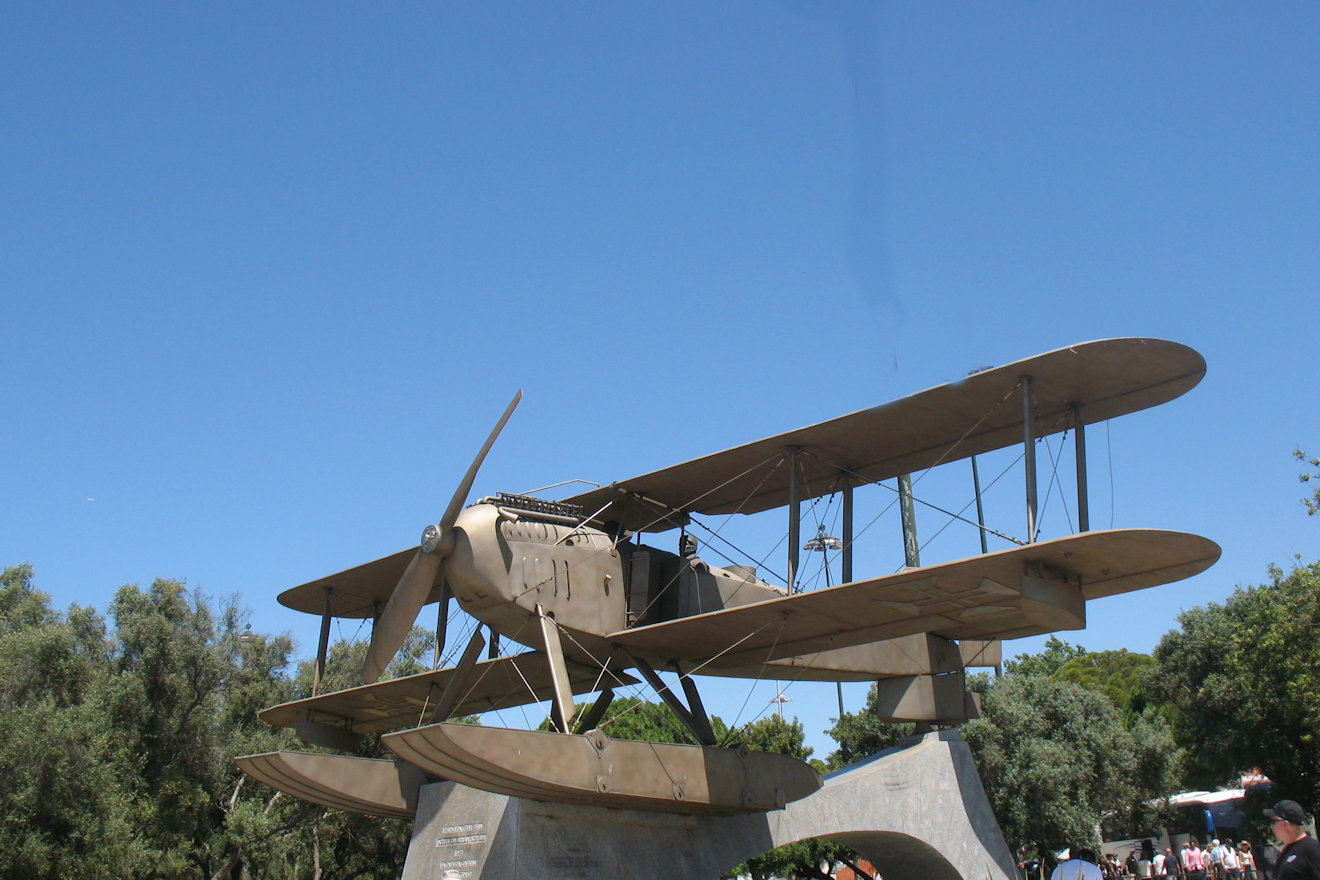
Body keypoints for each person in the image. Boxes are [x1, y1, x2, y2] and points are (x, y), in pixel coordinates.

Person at [1267, 800, 1320, 880]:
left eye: (1273, 822)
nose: (1271, 826)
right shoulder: (1287, 850)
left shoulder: (1313, 849)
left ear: (1285, 824)